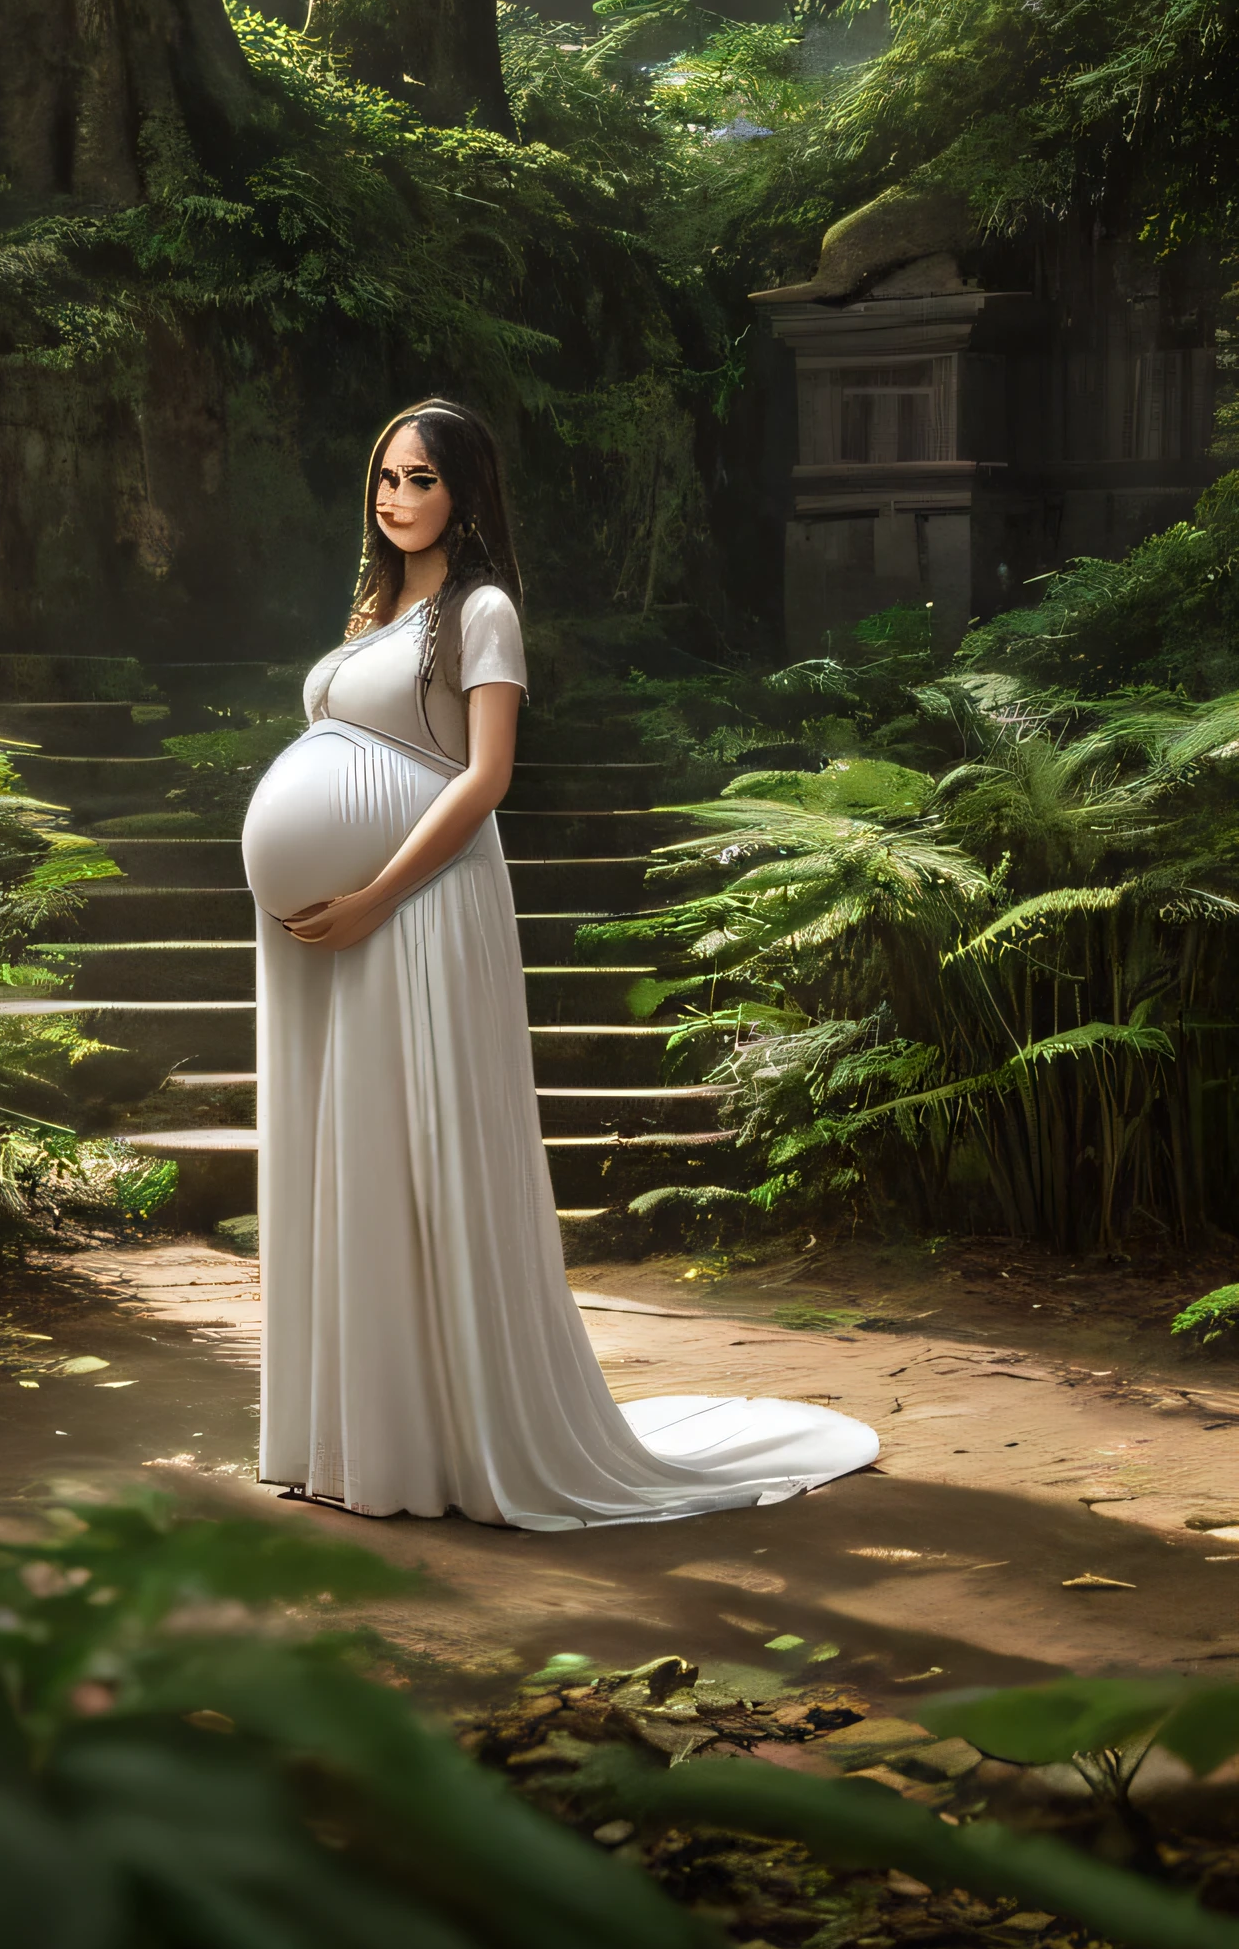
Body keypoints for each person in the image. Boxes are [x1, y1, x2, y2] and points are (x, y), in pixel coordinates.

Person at [241, 397, 877, 1529]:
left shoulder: (482, 610)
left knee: (420, 1143)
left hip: (422, 904)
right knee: (354, 1149)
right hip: (339, 930)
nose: (396, 498)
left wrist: (376, 895)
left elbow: (483, 779)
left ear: (466, 492)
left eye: (421, 480)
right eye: (385, 477)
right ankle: (354, 1430)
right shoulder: (376, 601)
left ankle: (443, 1443)